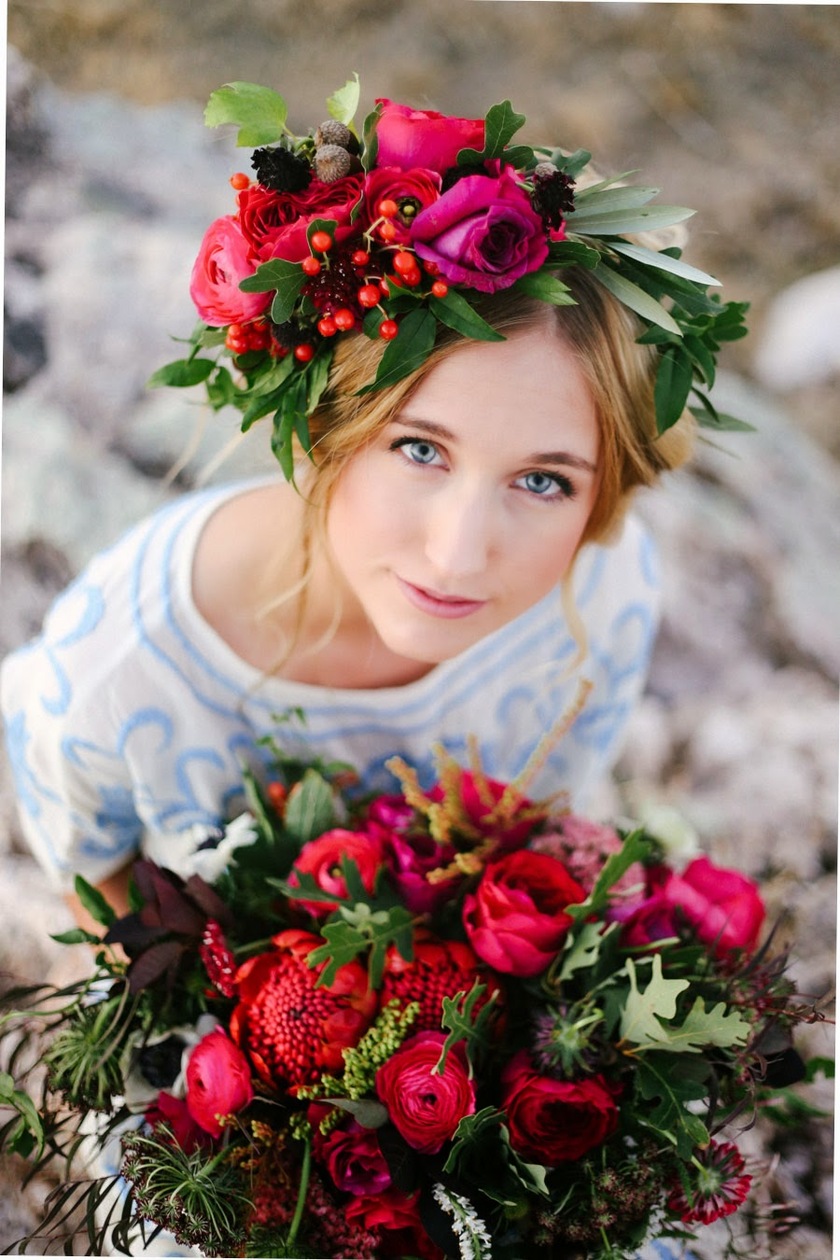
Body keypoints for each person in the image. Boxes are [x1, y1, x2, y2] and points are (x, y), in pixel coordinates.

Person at [1, 85, 736, 928]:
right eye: (420, 449)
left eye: (544, 481)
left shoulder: (602, 602)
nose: (459, 555)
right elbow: (98, 887)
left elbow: (528, 840)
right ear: (324, 425)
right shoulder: (116, 677)